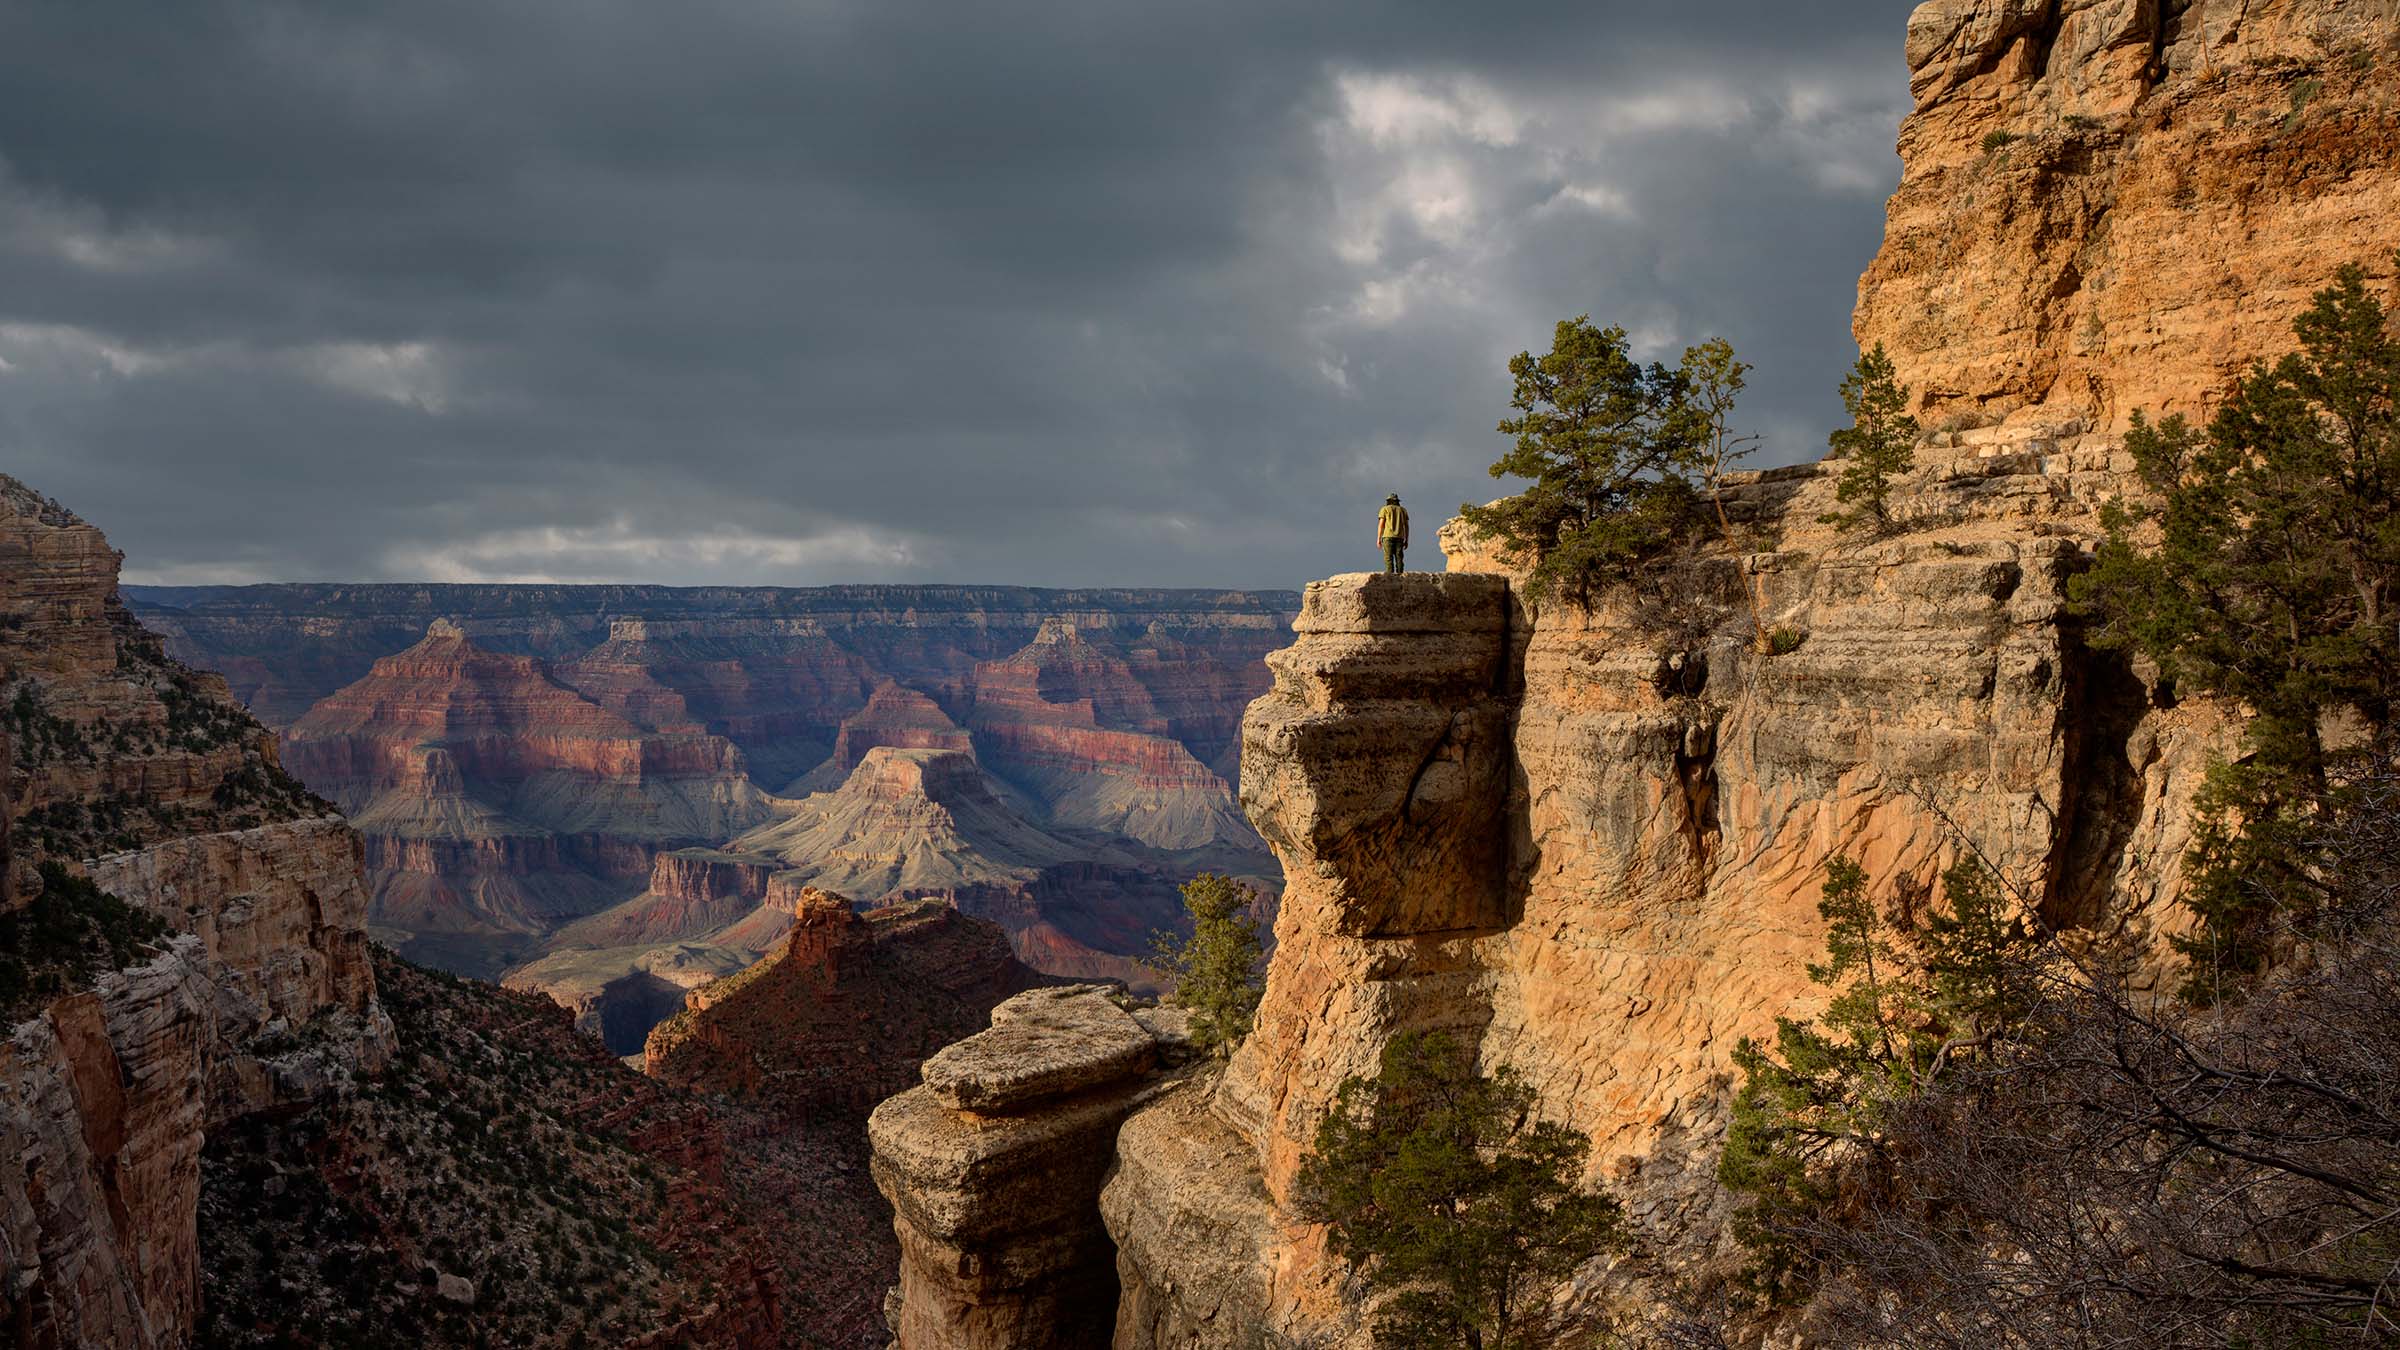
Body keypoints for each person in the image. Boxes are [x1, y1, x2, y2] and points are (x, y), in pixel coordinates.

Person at [1376, 493, 1409, 574]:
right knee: (1399, 557)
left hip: (1387, 536)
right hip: (1400, 537)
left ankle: (1390, 576)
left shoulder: (1384, 509)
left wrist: (1378, 539)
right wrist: (1406, 539)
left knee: (1388, 558)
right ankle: (1400, 575)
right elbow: (1406, 526)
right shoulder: (1403, 510)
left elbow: (1381, 525)